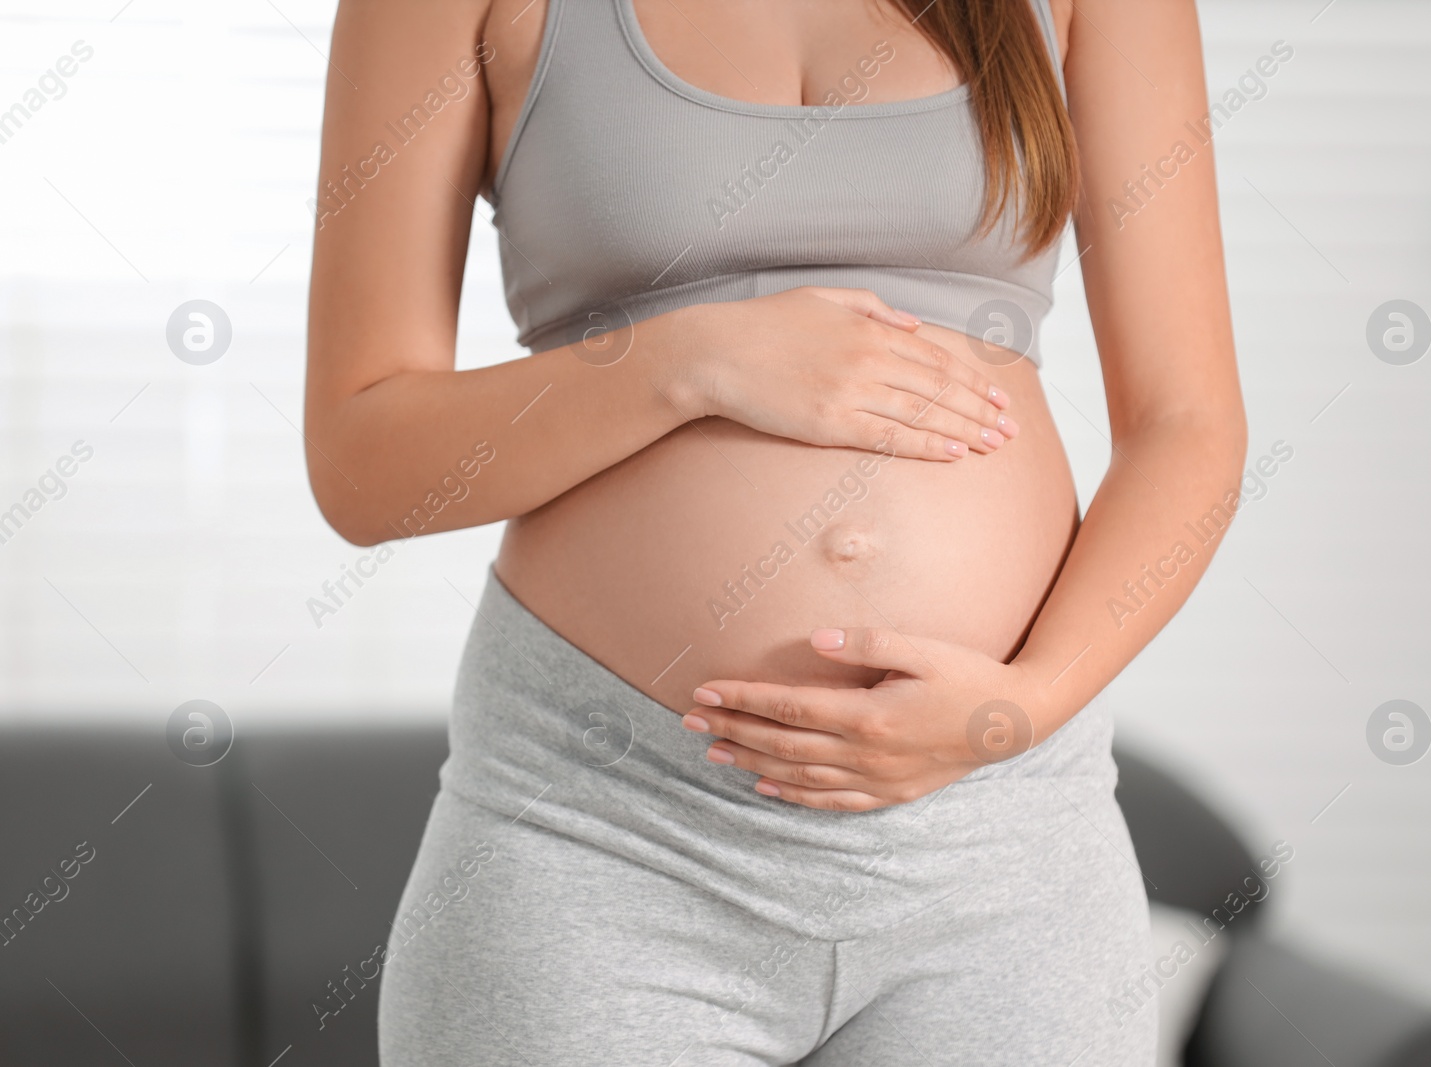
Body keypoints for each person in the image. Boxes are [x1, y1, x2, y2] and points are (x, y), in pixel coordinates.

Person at [304, 0, 1244, 1062]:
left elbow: (1186, 426)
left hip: (997, 838)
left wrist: (1024, 704)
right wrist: (689, 358)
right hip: (605, 833)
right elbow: (362, 461)